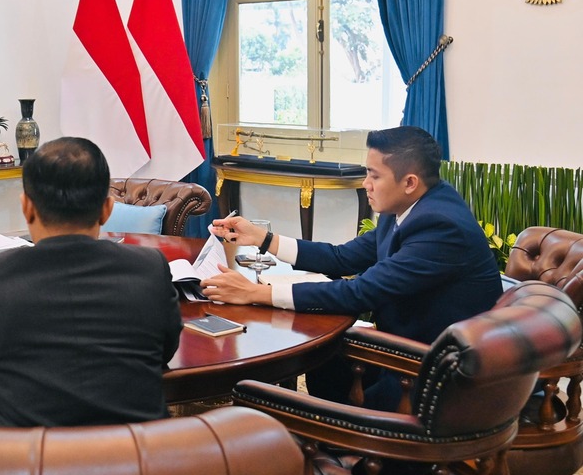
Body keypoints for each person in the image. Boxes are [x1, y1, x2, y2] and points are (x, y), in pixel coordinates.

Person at [203, 125, 503, 412]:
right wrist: (263, 238)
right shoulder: (410, 205)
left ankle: (335, 435)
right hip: (403, 350)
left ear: (409, 182)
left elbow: (360, 293)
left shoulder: (440, 227)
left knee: (264, 397)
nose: (365, 183)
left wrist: (256, 293)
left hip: (429, 378)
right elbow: (342, 258)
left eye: (374, 175)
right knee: (323, 358)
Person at [0, 137, 182, 427]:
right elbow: (165, 351)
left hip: (17, 452)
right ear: (107, 210)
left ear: (26, 207)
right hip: (133, 450)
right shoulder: (150, 270)